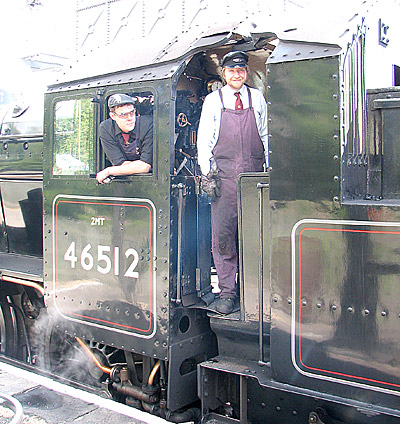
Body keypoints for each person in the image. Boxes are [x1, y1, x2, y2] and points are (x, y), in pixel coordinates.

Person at [197, 51, 268, 314]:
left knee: (255, 235)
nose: (237, 75)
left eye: (241, 70)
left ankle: (255, 292)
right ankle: (227, 293)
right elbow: (205, 138)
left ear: (245, 73)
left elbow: (265, 133)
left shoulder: (256, 98)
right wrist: (207, 172)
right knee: (224, 236)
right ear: (224, 74)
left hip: (254, 176)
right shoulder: (213, 101)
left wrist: (269, 167)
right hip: (224, 178)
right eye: (232, 70)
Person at [96, 93, 153, 184]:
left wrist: (108, 171)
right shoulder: (106, 128)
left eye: (131, 112)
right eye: (123, 115)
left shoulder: (148, 124)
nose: (130, 118)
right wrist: (138, 166)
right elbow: (119, 163)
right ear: (113, 116)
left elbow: (145, 166)